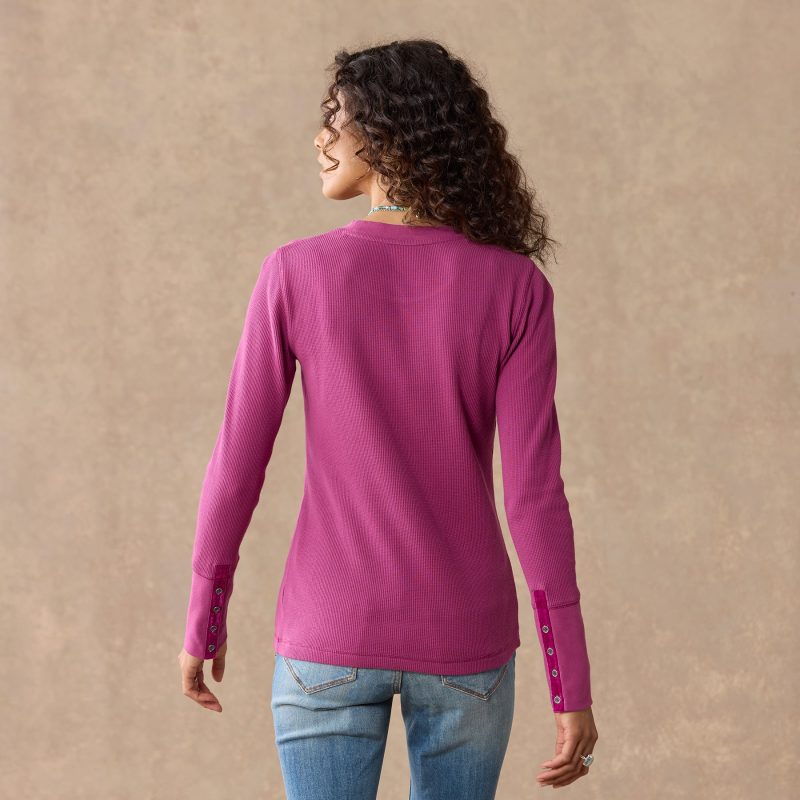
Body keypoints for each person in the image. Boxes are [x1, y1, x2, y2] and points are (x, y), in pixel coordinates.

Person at [177, 38, 598, 798]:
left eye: (333, 118)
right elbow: (535, 496)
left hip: (328, 633)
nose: (319, 138)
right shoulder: (514, 286)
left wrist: (204, 617)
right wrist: (570, 681)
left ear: (386, 133)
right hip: (466, 641)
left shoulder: (295, 273)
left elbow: (237, 463)